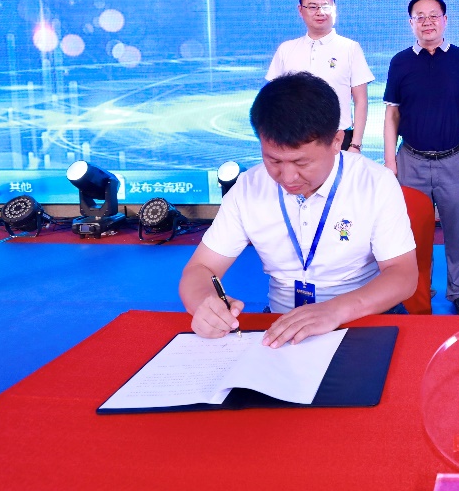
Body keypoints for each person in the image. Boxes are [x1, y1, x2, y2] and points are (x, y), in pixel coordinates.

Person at [179, 72, 417, 347]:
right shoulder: (248, 187)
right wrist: (204, 303)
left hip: (363, 319)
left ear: (336, 141)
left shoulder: (375, 183)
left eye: (302, 163)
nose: (288, 177)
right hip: (282, 324)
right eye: (274, 161)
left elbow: (403, 275)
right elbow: (200, 268)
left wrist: (334, 311)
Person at [383, 0, 459, 315]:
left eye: (433, 15)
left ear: (445, 20)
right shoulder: (400, 62)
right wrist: (390, 161)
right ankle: (417, 291)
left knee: (457, 233)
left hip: (455, 160)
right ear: (410, 23)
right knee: (412, 235)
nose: (427, 22)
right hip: (411, 161)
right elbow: (392, 114)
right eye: (420, 17)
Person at [266, 0, 374, 154]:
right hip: (293, 139)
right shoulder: (286, 49)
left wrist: (355, 144)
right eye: (312, 6)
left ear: (334, 8)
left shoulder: (350, 48)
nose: (320, 12)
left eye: (326, 6)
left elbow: (361, 101)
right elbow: (274, 100)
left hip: (338, 139)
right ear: (300, 10)